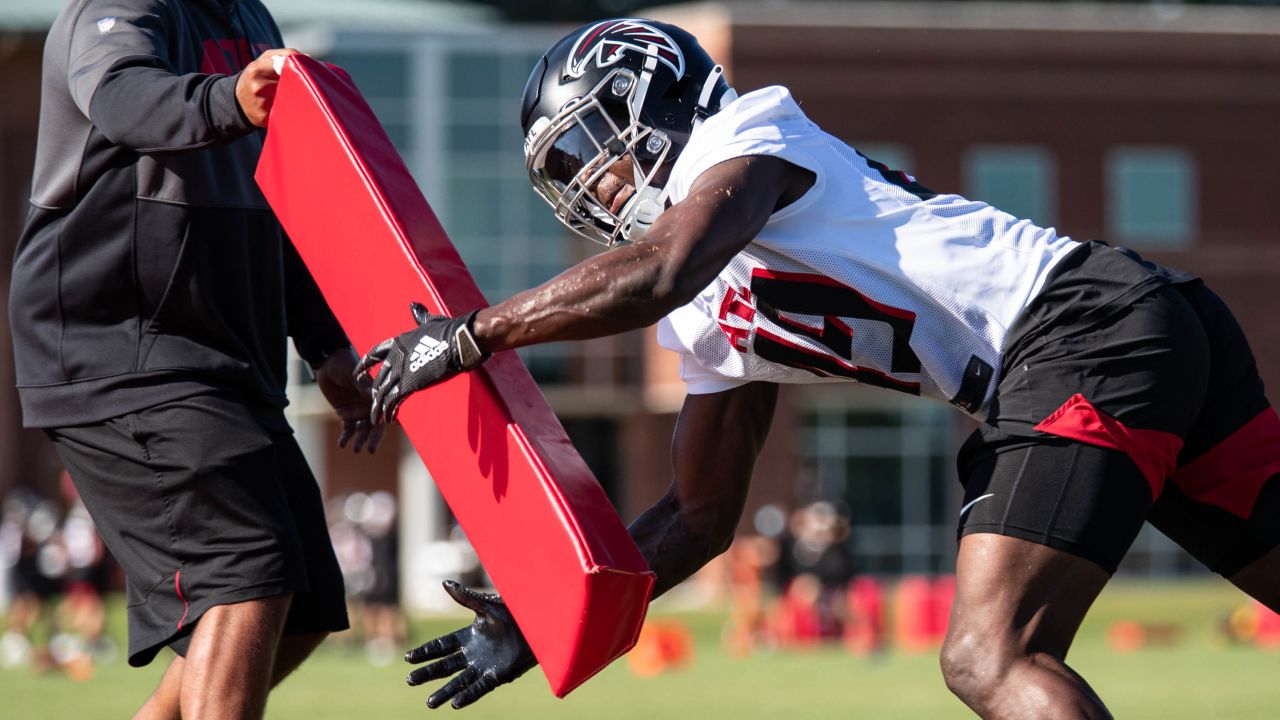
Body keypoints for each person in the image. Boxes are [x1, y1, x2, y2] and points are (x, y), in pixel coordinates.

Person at [358, 18, 1280, 719]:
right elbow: (700, 514)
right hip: (1130, 330)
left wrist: (471, 333)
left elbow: (657, 270)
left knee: (986, 655)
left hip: (1080, 325)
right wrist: (553, 607)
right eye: (570, 168)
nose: (593, 183)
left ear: (659, 96)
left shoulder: (751, 136)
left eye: (590, 145)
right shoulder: (700, 302)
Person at [9, 1, 384, 717]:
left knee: (302, 604)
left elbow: (277, 201)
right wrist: (229, 97)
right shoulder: (116, 8)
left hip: (229, 361)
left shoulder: (252, 19)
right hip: (121, 348)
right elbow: (123, 99)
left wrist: (324, 343)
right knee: (247, 575)